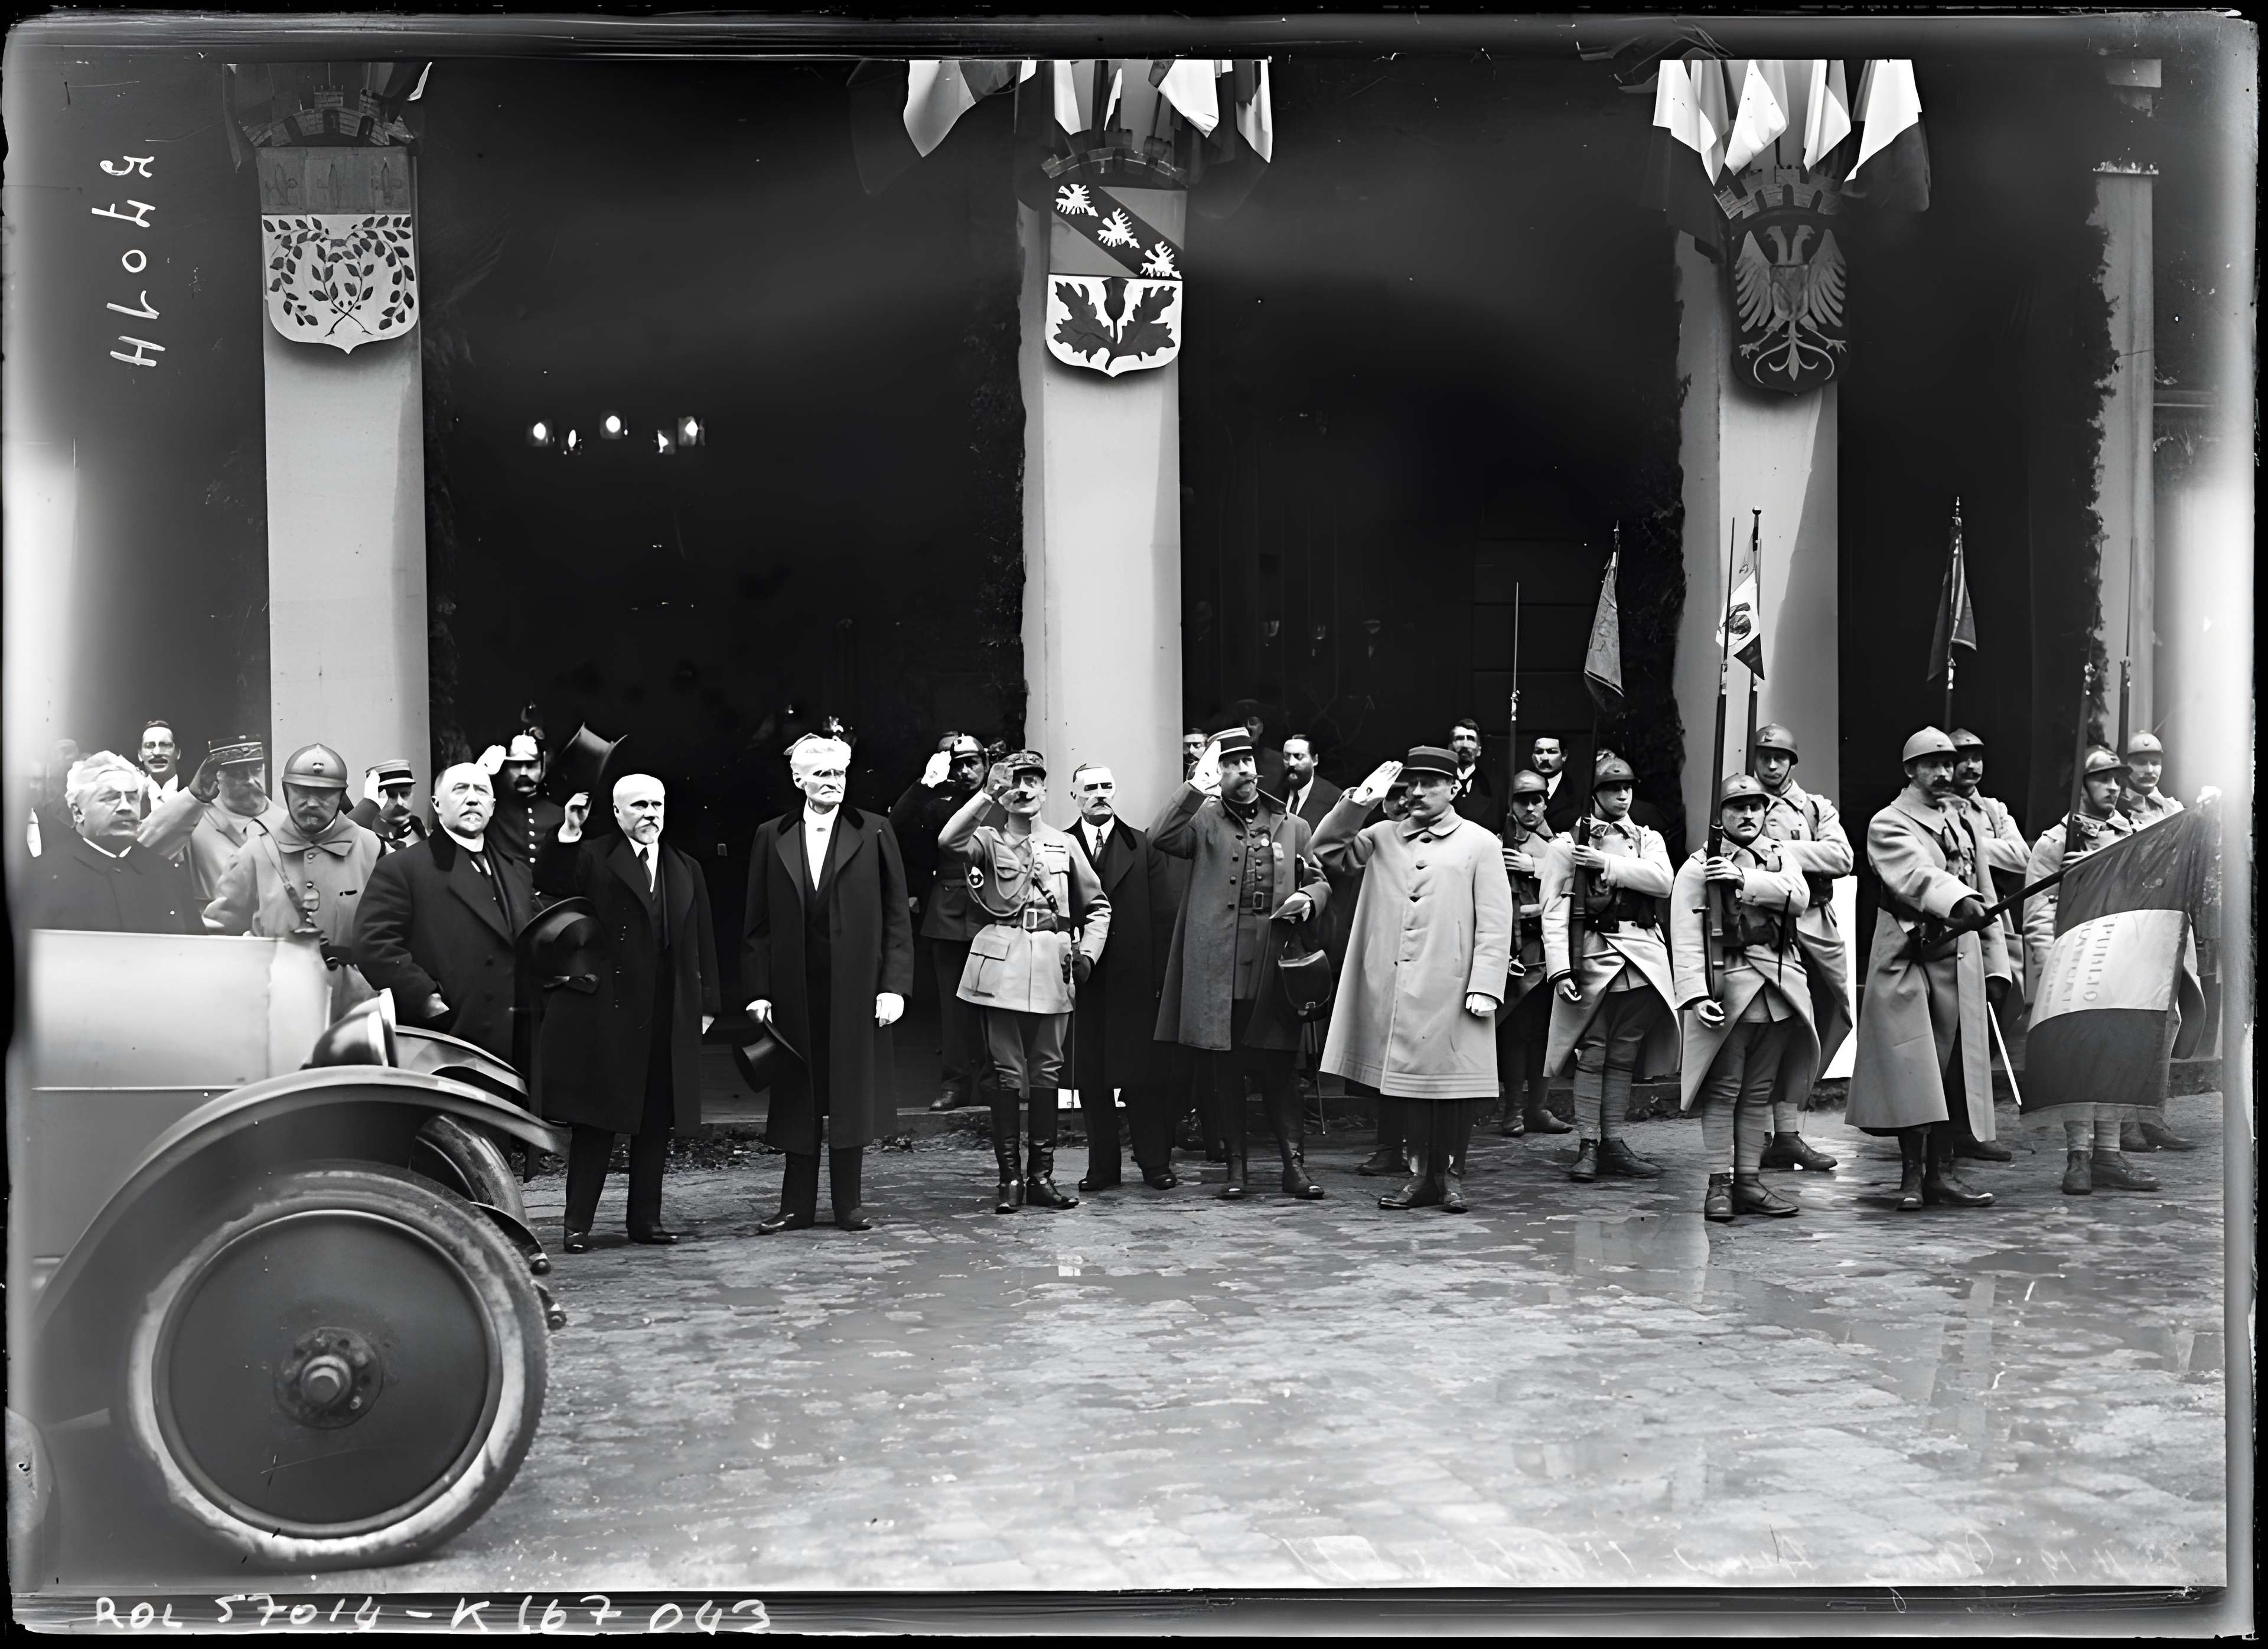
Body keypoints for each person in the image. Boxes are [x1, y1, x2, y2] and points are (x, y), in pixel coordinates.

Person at [1317, 747, 1512, 1213]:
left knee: (1454, 1089)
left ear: (1454, 788)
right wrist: (1360, 801)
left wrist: (1486, 983)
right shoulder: (1382, 835)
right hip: (1398, 984)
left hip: (1454, 982)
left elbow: (1495, 920)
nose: (1419, 792)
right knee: (1410, 1090)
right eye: (1412, 784)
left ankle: (1453, 1177)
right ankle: (1421, 1176)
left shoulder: (1480, 843)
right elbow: (1325, 850)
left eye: (1431, 783)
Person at [536, 772, 721, 1252]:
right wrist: (569, 832)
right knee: (598, 1121)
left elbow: (701, 941)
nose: (650, 815)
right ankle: (577, 1224)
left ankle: (646, 1221)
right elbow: (552, 883)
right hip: (608, 1010)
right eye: (638, 806)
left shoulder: (684, 867)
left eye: (657, 805)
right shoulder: (594, 857)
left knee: (656, 1120)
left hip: (665, 1010)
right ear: (617, 813)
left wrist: (707, 1004)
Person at [743, 735, 914, 1233]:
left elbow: (896, 917)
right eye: (821, 775)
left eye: (838, 774)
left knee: (850, 1091)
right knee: (798, 1094)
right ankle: (795, 1205)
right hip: (794, 989)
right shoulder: (770, 835)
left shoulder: (875, 831)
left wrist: (894, 986)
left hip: (857, 988)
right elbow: (756, 925)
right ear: (799, 780)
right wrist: (758, 991)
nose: (831, 783)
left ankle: (848, 1205)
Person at [1152, 729, 1331, 1201]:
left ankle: (1294, 1167)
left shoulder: (1292, 825)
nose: (1245, 770)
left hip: (1275, 965)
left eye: (1248, 760)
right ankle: (1237, 1169)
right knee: (1226, 1072)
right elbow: (1160, 836)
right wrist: (1196, 786)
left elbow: (1319, 879)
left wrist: (1309, 899)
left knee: (1280, 1073)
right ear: (1218, 772)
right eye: (1231, 763)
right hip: (1221, 967)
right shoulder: (1203, 822)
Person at [1845, 728, 2012, 1212]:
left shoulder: (1964, 821)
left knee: (1954, 1074)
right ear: (1909, 770)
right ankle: (1912, 1177)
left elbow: (1988, 893)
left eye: (1948, 763)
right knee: (1913, 1069)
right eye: (1931, 764)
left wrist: (1996, 965)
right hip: (1907, 961)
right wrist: (1960, 902)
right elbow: (1916, 876)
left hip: (1959, 961)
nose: (1943, 773)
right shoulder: (1889, 822)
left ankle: (1945, 1174)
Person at [941, 749, 1112, 1213]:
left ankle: (1042, 1177)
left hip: (1053, 966)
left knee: (1047, 1072)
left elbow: (1098, 907)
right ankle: (1009, 1179)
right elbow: (948, 842)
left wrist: (1089, 956)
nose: (1025, 789)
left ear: (1045, 788)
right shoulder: (988, 838)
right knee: (1007, 1073)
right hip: (1002, 967)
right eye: (1017, 782)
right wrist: (985, 796)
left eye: (1034, 780)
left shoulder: (1064, 844)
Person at [2021, 747, 2182, 1178]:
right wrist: (2049, 960)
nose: (2113, 787)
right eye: (2102, 779)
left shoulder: (2132, 837)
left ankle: (2108, 1154)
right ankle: (2078, 1156)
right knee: (2080, 1060)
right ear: (2081, 785)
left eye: (2117, 779)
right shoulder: (2056, 843)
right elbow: (2038, 909)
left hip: (2122, 959)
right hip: (2076, 964)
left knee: (2116, 1055)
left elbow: (2148, 890)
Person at [1670, 775, 1817, 1221]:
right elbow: (1686, 936)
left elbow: (1800, 897)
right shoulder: (1699, 865)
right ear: (1722, 817)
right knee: (1724, 1090)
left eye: (1756, 807)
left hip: (1779, 986)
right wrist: (1696, 996)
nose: (1748, 815)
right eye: (1738, 808)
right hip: (1729, 988)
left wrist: (1743, 877)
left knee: (1757, 1093)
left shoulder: (1778, 855)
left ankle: (1750, 1182)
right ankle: (1719, 1183)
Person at [1540, 755, 1679, 1183]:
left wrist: (1607, 866)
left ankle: (1615, 1142)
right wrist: (1561, 969)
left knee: (1624, 1052)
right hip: (1594, 955)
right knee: (1594, 1051)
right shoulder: (1567, 844)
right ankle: (1588, 1144)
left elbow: (1663, 881)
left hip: (1643, 953)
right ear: (1594, 794)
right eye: (1612, 788)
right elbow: (1553, 909)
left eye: (1628, 788)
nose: (1622, 796)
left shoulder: (1647, 838)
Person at [355, 762, 538, 1063]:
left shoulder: (516, 871)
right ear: (437, 805)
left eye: (481, 790)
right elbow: (373, 945)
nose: (472, 798)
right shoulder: (403, 868)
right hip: (449, 1040)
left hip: (516, 1041)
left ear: (492, 807)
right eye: (460, 789)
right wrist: (427, 999)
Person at [1063, 762, 1181, 1191]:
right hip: (1085, 979)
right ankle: (1102, 1169)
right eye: (1090, 787)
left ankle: (1155, 1165)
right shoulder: (1063, 845)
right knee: (1092, 1081)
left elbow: (1164, 915)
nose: (1100, 793)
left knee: (1143, 1079)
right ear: (1073, 796)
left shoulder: (1142, 845)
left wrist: (1162, 981)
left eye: (1107, 786)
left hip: (1135, 979)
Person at [203, 742, 382, 1017]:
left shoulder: (373, 849)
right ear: (287, 791)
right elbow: (220, 933)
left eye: (323, 794)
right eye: (301, 791)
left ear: (340, 796)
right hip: (273, 1002)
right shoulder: (255, 851)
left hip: (355, 1005)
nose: (311, 803)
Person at [1747, 724, 1849, 1174]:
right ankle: (1772, 1134)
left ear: (1792, 762)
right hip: (1766, 927)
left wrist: (1778, 849)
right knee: (1771, 1027)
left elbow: (1841, 857)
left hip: (1816, 925)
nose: (1771, 765)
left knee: (1829, 1017)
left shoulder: (1814, 807)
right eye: (1764, 756)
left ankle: (1788, 1128)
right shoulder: (1741, 800)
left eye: (1780, 757)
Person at [891, 732, 990, 1111]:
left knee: (997, 1004)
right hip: (949, 912)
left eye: (972, 763)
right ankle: (956, 1083)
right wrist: (922, 786)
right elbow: (896, 830)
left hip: (995, 914)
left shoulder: (1003, 802)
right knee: (954, 1007)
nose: (966, 771)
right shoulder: (936, 803)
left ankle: (996, 1082)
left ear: (985, 764)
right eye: (958, 764)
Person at [23, 751, 204, 933]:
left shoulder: (169, 875)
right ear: (77, 812)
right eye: (110, 798)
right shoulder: (41, 877)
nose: (126, 807)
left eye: (132, 797)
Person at [1946, 727, 2034, 1081]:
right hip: (1952, 916)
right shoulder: (1934, 810)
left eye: (1977, 757)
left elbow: (2021, 856)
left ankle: (1975, 1077)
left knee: (2000, 992)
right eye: (1962, 759)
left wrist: (1969, 843)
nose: (1971, 766)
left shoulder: (1994, 810)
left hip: (1993, 917)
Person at [1495, 769, 1569, 1137]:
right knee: (1514, 1035)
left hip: (1550, 952)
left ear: (1545, 803)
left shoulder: (1561, 844)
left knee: (1546, 1035)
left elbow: (1571, 887)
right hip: (1517, 954)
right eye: (1521, 800)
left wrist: (1535, 867)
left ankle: (1538, 1109)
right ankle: (1513, 1112)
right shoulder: (1497, 843)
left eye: (1536, 800)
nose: (1529, 807)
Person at [481, 728, 565, 880]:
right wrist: (482, 773)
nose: (524, 773)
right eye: (516, 765)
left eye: (531, 765)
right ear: (506, 767)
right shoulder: (492, 810)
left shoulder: (562, 813)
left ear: (543, 766)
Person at [348, 757, 428, 855]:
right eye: (391, 795)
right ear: (376, 797)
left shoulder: (416, 824)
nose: (400, 803)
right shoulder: (364, 834)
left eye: (405, 794)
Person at [1447, 716, 1501, 832]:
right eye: (1459, 738)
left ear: (1479, 750)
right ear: (1450, 747)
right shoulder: (1439, 784)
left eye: (1471, 739)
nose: (1465, 744)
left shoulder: (1495, 788)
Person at [2120, 731, 2184, 827]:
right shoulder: (2116, 809)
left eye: (2155, 763)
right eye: (2141, 763)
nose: (2150, 770)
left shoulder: (2174, 808)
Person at [1226, 699, 1289, 796]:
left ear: (1261, 728)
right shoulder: (1227, 759)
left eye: (1253, 723)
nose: (1247, 727)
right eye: (1242, 723)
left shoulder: (1277, 760)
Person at [1532, 734, 1582, 835]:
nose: (1545, 758)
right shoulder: (1516, 788)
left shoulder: (1579, 791)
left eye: (1552, 752)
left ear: (1564, 756)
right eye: (1539, 752)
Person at [134, 718, 183, 815]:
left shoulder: (196, 791)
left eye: (165, 745)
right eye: (149, 746)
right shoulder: (130, 798)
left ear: (178, 753)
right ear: (140, 755)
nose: (157, 753)